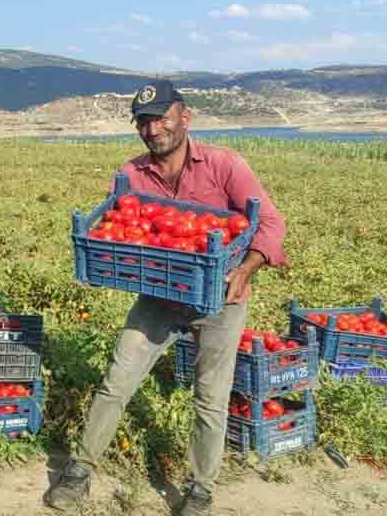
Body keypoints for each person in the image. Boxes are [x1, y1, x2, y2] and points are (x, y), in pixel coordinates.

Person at [43, 81, 288, 516]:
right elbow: (118, 224)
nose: (153, 128)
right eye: (144, 121)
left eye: (161, 117)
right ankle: (79, 470)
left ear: (184, 116)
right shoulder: (132, 175)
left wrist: (245, 268)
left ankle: (200, 489)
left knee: (210, 398)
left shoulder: (224, 165)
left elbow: (268, 223)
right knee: (116, 381)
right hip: (158, 297)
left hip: (219, 302)